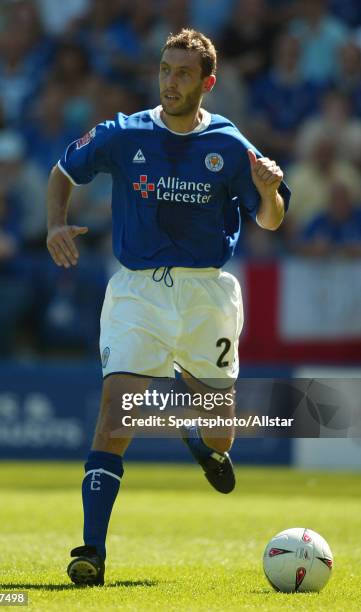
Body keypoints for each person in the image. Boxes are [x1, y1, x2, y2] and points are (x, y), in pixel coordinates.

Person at [46, 28, 290, 586]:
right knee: (114, 418)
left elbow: (270, 220)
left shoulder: (230, 145)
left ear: (208, 82)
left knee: (222, 437)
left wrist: (270, 191)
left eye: (183, 73)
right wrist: (56, 222)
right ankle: (91, 551)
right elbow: (63, 171)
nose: (170, 81)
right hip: (138, 290)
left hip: (207, 294)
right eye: (164, 70)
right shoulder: (122, 133)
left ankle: (196, 433)